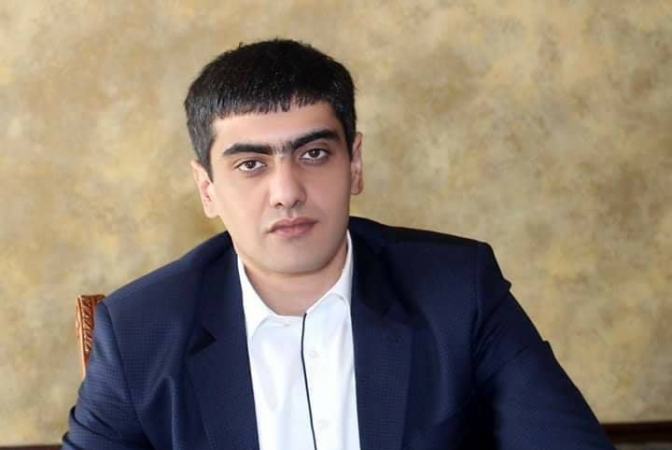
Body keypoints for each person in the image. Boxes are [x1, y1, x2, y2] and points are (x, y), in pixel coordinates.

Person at [62, 39, 615, 450]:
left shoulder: (457, 290)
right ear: (207, 188)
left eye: (314, 154)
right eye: (251, 164)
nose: (287, 192)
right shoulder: (139, 330)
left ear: (355, 164)